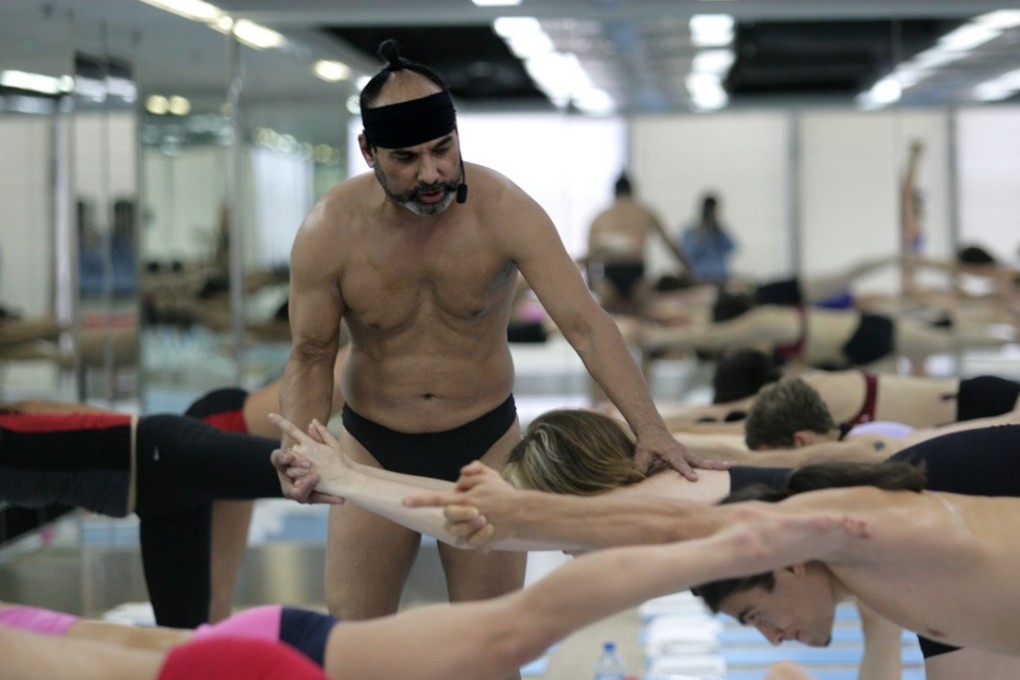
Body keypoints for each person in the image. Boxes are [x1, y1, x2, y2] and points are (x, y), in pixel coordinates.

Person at [277, 38, 716, 635]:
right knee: (352, 641)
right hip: (370, 442)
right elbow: (310, 354)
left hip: (483, 442)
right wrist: (304, 453)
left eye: (441, 149)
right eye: (406, 159)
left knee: (493, 643)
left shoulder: (505, 210)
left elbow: (585, 322)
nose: (430, 173)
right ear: (368, 151)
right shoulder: (330, 230)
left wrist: (652, 429)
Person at [0, 403, 284, 628]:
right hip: (156, 505)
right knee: (184, 643)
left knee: (307, 472)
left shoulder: (15, 427)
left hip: (168, 454)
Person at [183, 344, 350, 622]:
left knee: (214, 608)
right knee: (209, 610)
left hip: (236, 425)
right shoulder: (371, 349)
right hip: (225, 428)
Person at [640, 286, 1013, 372]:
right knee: (949, 343)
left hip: (857, 346)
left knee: (948, 342)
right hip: (860, 338)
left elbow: (709, 334)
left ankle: (1009, 335)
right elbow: (709, 327)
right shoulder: (765, 325)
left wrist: (660, 336)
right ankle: (1009, 336)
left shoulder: (760, 326)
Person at [658, 348, 1020, 433]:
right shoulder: (806, 384)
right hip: (974, 402)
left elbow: (727, 417)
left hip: (981, 404)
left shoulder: (807, 392)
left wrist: (657, 424)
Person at [584, 171, 692, 315]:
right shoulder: (645, 212)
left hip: (610, 274)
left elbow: (590, 257)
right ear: (633, 191)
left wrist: (591, 284)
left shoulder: (600, 217)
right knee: (643, 320)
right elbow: (671, 246)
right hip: (636, 274)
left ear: (614, 192)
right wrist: (690, 271)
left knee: (605, 319)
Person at [678, 192, 737, 284]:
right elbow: (685, 254)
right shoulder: (690, 231)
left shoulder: (719, 231)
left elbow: (732, 247)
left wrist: (720, 228)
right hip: (699, 279)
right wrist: (700, 234)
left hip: (720, 278)